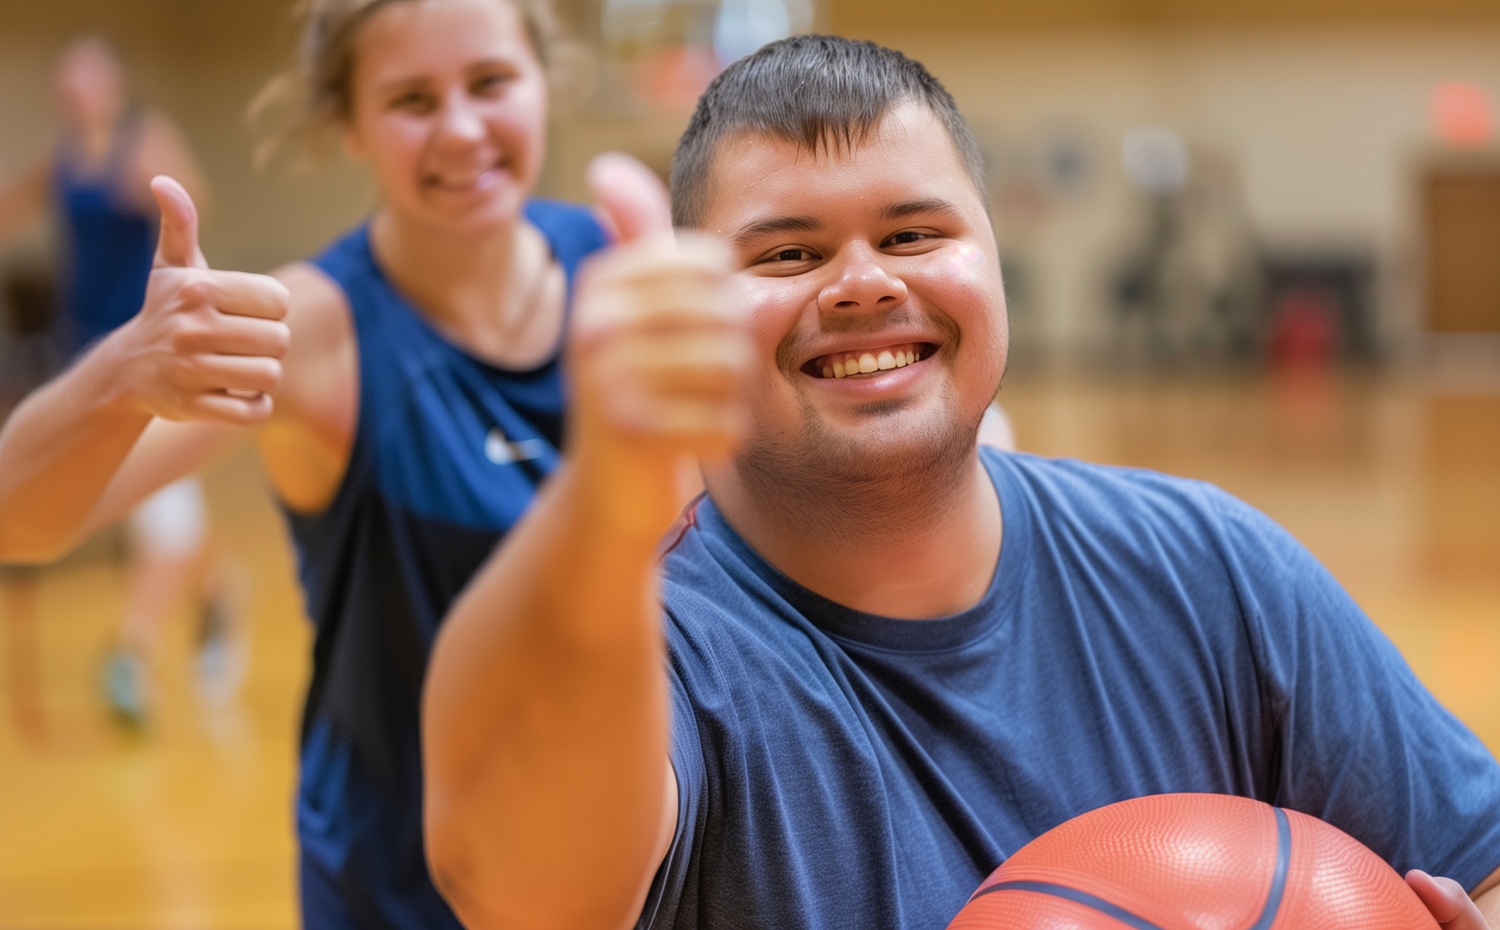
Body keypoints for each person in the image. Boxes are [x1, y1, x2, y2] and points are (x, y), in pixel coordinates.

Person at [421, 35, 1500, 930]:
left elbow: (1482, 863)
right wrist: (603, 496)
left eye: (913, 233)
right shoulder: (662, 661)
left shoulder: (1211, 566)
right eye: (787, 254)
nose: (864, 283)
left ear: (994, 261)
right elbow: (522, 889)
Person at [0, 0, 609, 925]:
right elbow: (19, 519)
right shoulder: (312, 330)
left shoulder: (617, 265)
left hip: (607, 864)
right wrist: (121, 375)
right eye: (412, 98)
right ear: (351, 122)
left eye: (490, 82)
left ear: (541, 81)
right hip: (397, 887)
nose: (461, 128)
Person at [0, 35, 242, 727]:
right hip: (88, 350)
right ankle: (219, 589)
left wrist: (152, 189)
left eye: (86, 79)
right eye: (65, 81)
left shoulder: (146, 139)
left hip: (151, 345)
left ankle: (132, 654)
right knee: (139, 493)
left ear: (113, 84)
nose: (73, 91)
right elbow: (15, 204)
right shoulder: (64, 154)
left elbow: (200, 206)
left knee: (158, 496)